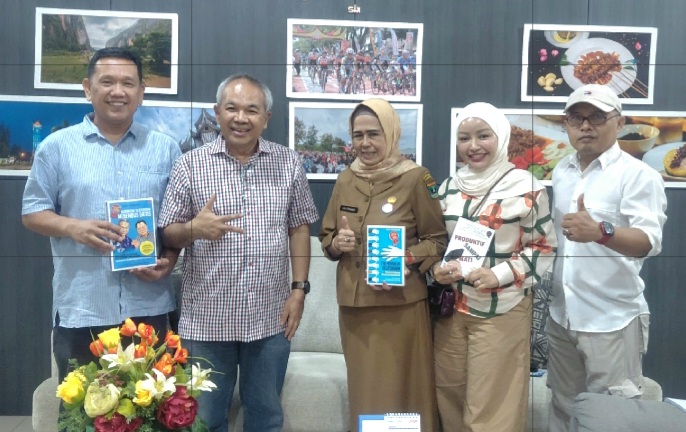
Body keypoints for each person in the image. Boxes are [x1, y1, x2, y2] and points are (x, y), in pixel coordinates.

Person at [158, 73, 318, 432]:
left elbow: (299, 228)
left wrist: (298, 291)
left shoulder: (288, 163)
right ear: (217, 113)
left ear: (266, 118)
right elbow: (168, 232)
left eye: (251, 110)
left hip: (270, 317)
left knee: (265, 417)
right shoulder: (189, 164)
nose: (240, 118)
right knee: (204, 419)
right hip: (206, 319)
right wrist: (194, 229)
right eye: (231, 108)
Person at [21, 47, 181, 383]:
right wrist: (72, 227)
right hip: (82, 309)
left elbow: (175, 220)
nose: (117, 91)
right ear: (87, 88)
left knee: (151, 405)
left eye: (128, 83)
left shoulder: (165, 149)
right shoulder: (56, 147)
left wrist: (169, 258)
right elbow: (32, 212)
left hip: (148, 307)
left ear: (141, 92)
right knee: (82, 407)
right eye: (107, 81)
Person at [319, 99, 447, 432]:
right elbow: (327, 236)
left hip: (401, 307)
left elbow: (437, 240)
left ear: (391, 133)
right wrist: (336, 243)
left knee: (406, 391)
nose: (365, 143)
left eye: (373, 134)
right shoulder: (345, 179)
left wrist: (407, 257)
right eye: (358, 135)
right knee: (366, 393)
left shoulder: (417, 178)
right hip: (355, 309)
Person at [547, 84, 667, 432]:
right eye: (576, 118)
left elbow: (648, 242)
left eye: (597, 117)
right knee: (564, 407)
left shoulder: (639, 175)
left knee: (612, 418)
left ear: (619, 123)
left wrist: (601, 231)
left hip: (611, 319)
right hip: (562, 315)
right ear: (566, 124)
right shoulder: (562, 171)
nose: (586, 126)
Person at [432, 102, 556, 432]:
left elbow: (544, 247)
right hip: (452, 311)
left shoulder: (527, 187)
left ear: (501, 137)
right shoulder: (448, 187)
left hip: (502, 309)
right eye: (464, 138)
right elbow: (436, 242)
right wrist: (436, 268)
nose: (473, 146)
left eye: (483, 136)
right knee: (449, 395)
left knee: (492, 408)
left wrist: (498, 275)